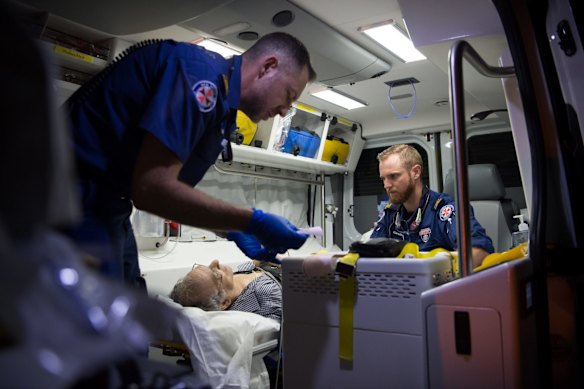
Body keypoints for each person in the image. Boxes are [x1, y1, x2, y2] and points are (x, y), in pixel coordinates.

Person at [64, 32, 317, 287]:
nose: (285, 111)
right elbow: (152, 189)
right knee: (101, 313)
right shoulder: (199, 77)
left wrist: (232, 230)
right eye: (289, 95)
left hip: (108, 202)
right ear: (268, 67)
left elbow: (168, 193)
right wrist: (252, 222)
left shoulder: (223, 107)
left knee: (131, 296)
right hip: (70, 193)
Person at [371, 144, 494, 268]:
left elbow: (479, 251)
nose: (386, 185)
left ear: (416, 172)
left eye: (393, 176)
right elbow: (368, 253)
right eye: (383, 179)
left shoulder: (444, 209)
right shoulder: (391, 214)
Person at [170, 260, 282, 322]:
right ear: (224, 303)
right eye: (216, 275)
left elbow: (250, 267)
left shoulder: (231, 280)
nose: (215, 262)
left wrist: (259, 261)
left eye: (208, 267)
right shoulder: (267, 296)